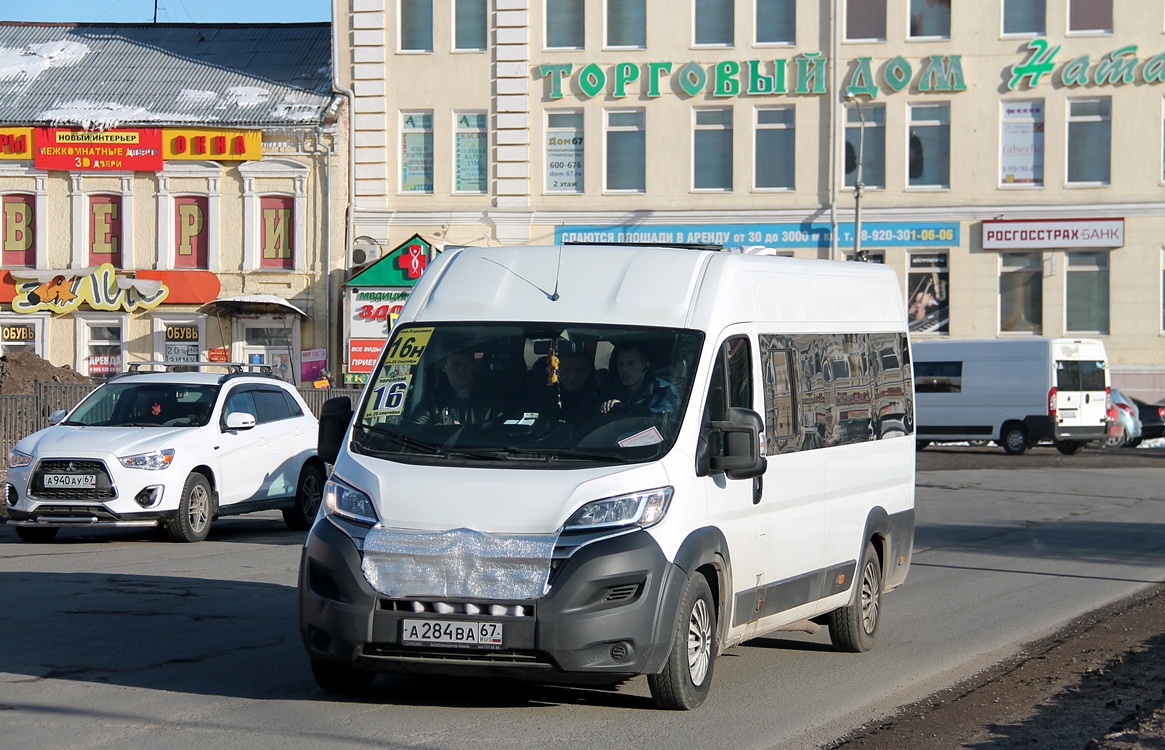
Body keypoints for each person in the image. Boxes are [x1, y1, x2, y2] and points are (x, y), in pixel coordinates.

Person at [409, 348, 497, 425]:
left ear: (473, 365)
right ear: (443, 366)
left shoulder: (490, 400)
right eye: (455, 364)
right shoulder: (433, 401)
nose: (461, 370)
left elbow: (500, 430)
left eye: (467, 364)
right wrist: (436, 432)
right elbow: (414, 430)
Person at [600, 344, 679, 414]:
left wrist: (627, 407)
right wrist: (607, 407)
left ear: (645, 367)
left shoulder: (664, 391)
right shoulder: (611, 391)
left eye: (631, 364)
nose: (624, 369)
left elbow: (665, 419)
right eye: (620, 364)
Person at [546, 350, 602, 422]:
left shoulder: (600, 401)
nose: (572, 376)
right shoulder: (542, 399)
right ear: (557, 372)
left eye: (578, 371)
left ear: (587, 371)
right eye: (565, 370)